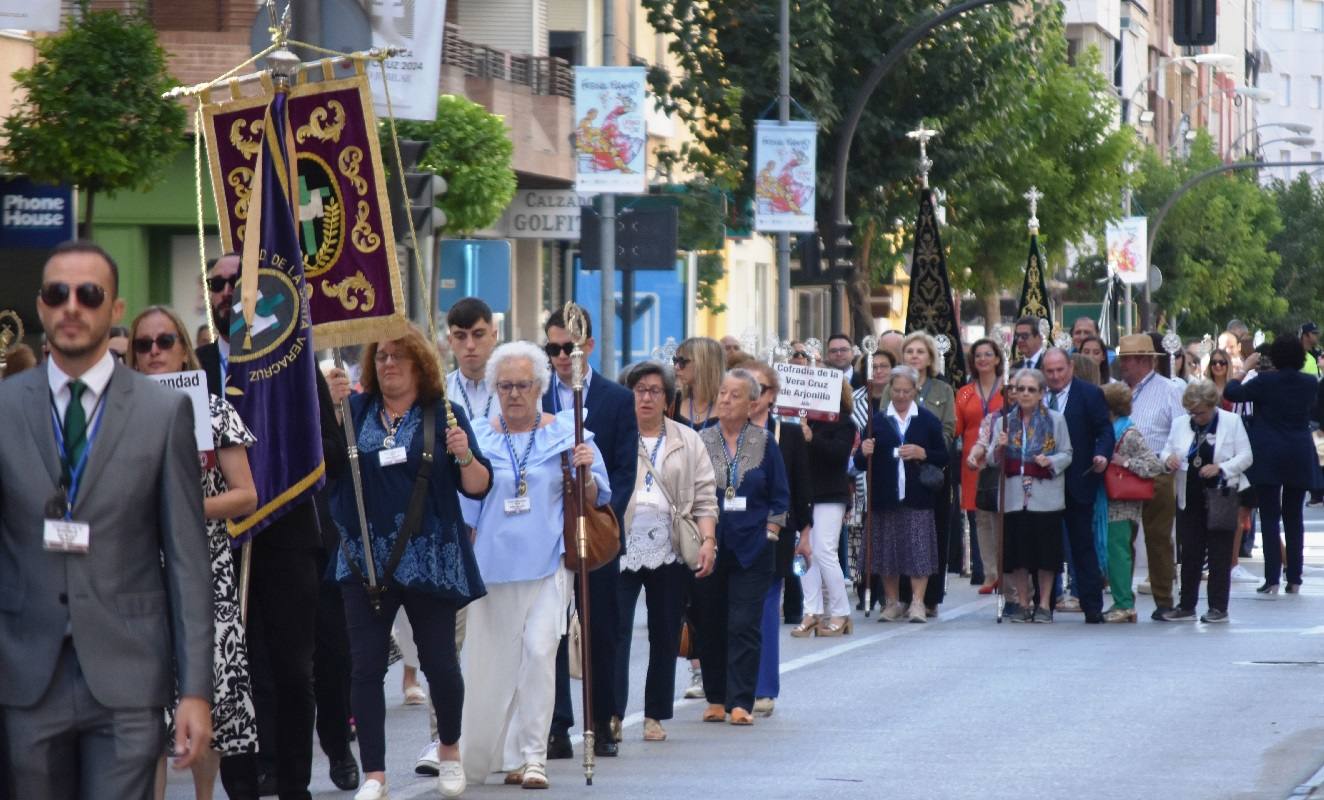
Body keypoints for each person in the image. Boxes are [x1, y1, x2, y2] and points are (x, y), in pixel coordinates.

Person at [0, 241, 213, 797]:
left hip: (127, 678)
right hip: (22, 676)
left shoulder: (162, 413)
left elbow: (189, 564)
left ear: (114, 309)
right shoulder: (4, 408)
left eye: (88, 294)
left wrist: (195, 691)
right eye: (57, 294)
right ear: (42, 307)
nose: (72, 306)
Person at [196, 251, 346, 799]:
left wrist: (274, 459)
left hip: (285, 536)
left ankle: (292, 784)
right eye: (217, 284)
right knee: (234, 673)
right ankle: (242, 782)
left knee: (290, 670)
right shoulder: (197, 365)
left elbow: (328, 449)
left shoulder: (292, 363)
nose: (227, 293)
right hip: (219, 543)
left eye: (238, 283)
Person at [330, 328, 492, 800]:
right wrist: (329, 403)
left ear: (420, 364)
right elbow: (324, 462)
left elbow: (479, 486)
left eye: (399, 357)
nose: (388, 365)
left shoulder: (442, 414)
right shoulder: (354, 410)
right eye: (380, 357)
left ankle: (449, 750)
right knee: (364, 667)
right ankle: (375, 774)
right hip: (364, 561)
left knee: (440, 663)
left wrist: (462, 453)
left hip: (429, 555)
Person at [460, 341, 611, 789]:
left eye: (523, 385)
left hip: (548, 563)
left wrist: (584, 470)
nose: (514, 394)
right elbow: (467, 507)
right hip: (492, 566)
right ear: (493, 389)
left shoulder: (568, 433)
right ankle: (501, 754)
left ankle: (534, 755)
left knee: (541, 652)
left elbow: (594, 499)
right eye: (504, 386)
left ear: (540, 387)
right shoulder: (478, 436)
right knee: (496, 664)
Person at [127, 306, 260, 800]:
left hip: (206, 570)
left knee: (210, 694)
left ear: (184, 348)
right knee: (145, 707)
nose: (156, 352)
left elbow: (246, 493)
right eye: (145, 344)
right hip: (136, 573)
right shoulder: (116, 415)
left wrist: (185, 507)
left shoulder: (214, 409)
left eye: (165, 341)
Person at [541, 307, 637, 759]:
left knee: (603, 625)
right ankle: (556, 723)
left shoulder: (616, 399)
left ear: (589, 347)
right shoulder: (537, 396)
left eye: (570, 348)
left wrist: (605, 514)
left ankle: (605, 718)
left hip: (596, 526)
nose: (563, 357)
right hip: (547, 530)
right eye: (554, 349)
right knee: (553, 629)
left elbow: (624, 466)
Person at [614, 362, 718, 741]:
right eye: (639, 390)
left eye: (655, 390)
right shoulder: (615, 435)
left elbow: (706, 497)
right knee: (616, 633)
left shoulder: (687, 439)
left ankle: (654, 715)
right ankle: (611, 713)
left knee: (665, 633)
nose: (646, 397)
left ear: (668, 398)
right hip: (622, 544)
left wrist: (708, 541)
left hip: (671, 547)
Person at [694, 369, 789, 725]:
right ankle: (715, 697)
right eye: (721, 394)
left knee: (744, 624)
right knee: (711, 622)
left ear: (751, 404)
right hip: (711, 545)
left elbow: (780, 495)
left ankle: (741, 702)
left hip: (754, 547)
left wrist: (771, 532)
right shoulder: (701, 440)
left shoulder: (765, 441)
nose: (725, 400)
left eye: (734, 395)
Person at [1225, 335, 1324, 594]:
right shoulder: (1308, 382)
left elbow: (1231, 393)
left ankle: (1271, 578)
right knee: (1294, 516)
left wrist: (1245, 368)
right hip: (1299, 450)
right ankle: (1294, 577)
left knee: (1270, 516)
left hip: (1268, 451)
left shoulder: (1265, 382)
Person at [858, 366, 951, 622]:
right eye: (896, 390)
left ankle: (918, 602)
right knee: (888, 551)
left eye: (906, 391)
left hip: (917, 496)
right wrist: (863, 450)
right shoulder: (877, 421)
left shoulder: (927, 420)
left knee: (918, 551)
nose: (900, 396)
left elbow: (944, 456)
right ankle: (891, 601)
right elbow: (858, 462)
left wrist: (923, 453)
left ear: (915, 391)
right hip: (885, 496)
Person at [746, 361, 812, 715]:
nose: (754, 396)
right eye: (748, 388)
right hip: (735, 530)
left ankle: (763, 688)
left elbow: (801, 487)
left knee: (768, 607)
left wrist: (805, 534)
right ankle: (732, 686)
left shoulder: (787, 433)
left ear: (772, 395)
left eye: (761, 389)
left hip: (776, 532)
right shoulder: (726, 430)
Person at [1157, 381, 1253, 623]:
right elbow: (1166, 450)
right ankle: (1187, 605)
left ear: (1212, 406)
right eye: (1192, 412)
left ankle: (1218, 607)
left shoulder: (1231, 422)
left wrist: (1221, 467)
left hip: (1221, 494)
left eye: (1200, 412)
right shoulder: (1181, 424)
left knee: (1220, 552)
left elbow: (1246, 457)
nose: (1196, 417)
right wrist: (1169, 460)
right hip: (1189, 494)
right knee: (1190, 552)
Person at [986, 368, 1073, 623]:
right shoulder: (1004, 421)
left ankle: (1044, 603)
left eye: (1031, 389)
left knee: (1046, 555)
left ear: (1042, 394)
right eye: (1020, 389)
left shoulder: (1055, 420)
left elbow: (1067, 453)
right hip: (1014, 496)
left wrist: (1050, 460)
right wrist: (999, 447)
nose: (1024, 394)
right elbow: (991, 459)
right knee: (1019, 555)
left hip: (1045, 496)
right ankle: (1023, 603)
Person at [1114, 334, 1184, 619]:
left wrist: (1170, 460)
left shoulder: (1169, 390)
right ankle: (1122, 600)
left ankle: (1164, 600)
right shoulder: (1117, 390)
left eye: (1127, 360)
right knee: (1120, 538)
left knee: (1158, 538)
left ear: (1144, 360)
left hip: (1156, 470)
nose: (1123, 365)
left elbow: (1180, 430)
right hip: (1122, 471)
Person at [1040, 349, 1113, 623]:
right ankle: (1042, 602)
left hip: (1077, 479)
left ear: (1070, 367)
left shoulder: (1089, 394)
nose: (1056, 376)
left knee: (1083, 544)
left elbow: (1104, 430)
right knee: (1044, 543)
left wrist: (1102, 454)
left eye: (1060, 370)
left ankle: (1091, 604)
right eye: (1050, 371)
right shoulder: (1037, 394)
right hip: (1042, 482)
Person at [792, 375, 857, 636]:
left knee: (824, 551)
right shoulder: (799, 421)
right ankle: (812, 610)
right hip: (804, 492)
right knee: (804, 552)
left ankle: (841, 613)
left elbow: (839, 455)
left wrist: (811, 439)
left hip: (830, 492)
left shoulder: (843, 421)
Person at [1101, 382, 1166, 623]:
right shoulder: (1115, 429)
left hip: (1122, 504)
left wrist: (1125, 462)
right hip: (1110, 502)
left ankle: (1124, 604)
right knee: (1114, 552)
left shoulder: (1128, 433)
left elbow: (1153, 465)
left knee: (1118, 552)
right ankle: (1122, 600)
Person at [955, 338, 1004, 593]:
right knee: (981, 518)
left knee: (1002, 516)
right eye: (978, 356)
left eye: (988, 354)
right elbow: (956, 428)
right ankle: (989, 573)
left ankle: (1005, 570)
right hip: (973, 461)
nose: (983, 359)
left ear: (997, 358)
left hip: (1000, 458)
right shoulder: (964, 392)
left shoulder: (1008, 387)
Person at [670, 336, 724, 430]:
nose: (676, 367)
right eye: (675, 361)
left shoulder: (729, 402)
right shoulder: (672, 401)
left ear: (704, 363)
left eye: (682, 361)